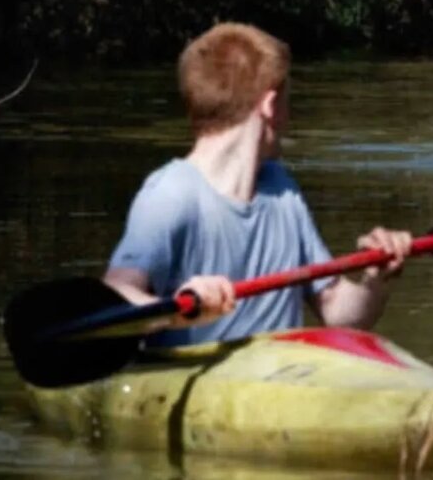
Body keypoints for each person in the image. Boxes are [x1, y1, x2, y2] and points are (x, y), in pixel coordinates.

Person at [103, 22, 412, 347]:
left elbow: (338, 313)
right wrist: (177, 309)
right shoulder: (172, 193)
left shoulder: (282, 190)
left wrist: (377, 279)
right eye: (289, 102)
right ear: (270, 105)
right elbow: (115, 293)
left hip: (281, 383)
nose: (290, 118)